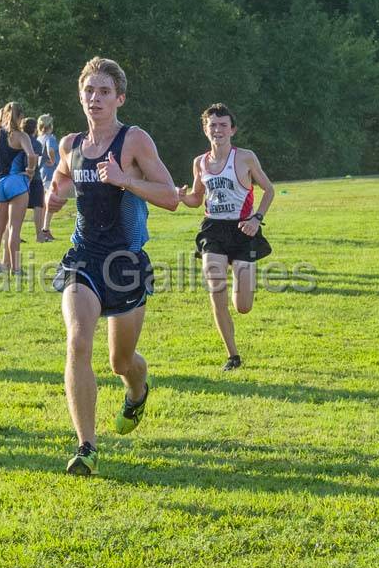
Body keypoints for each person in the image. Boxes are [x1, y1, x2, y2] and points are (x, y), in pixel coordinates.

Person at [46, 57, 180, 475]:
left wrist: (125, 181)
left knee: (120, 363)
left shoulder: (134, 140)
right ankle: (86, 446)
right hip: (83, 259)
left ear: (119, 98)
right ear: (80, 97)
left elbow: (170, 196)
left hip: (125, 261)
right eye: (89, 90)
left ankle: (137, 390)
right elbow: (62, 181)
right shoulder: (70, 145)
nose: (95, 98)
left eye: (104, 91)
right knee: (78, 340)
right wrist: (54, 197)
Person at [177, 103, 274, 370]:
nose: (217, 130)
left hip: (243, 229)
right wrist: (182, 197)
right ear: (205, 129)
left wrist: (257, 219)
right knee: (214, 287)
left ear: (232, 129)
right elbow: (197, 199)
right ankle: (233, 355)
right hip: (213, 230)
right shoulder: (199, 162)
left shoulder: (245, 158)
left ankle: (238, 273)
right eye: (212, 125)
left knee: (243, 306)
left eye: (222, 125)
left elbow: (269, 190)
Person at [0, 102, 36, 273]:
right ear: (20, 116)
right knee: (14, 228)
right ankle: (15, 268)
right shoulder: (21, 136)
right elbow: (31, 155)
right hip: (16, 181)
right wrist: (30, 172)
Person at [22, 116, 50, 243]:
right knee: (38, 205)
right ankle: (39, 235)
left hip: (20, 176)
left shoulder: (18, 141)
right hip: (35, 177)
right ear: (34, 129)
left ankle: (15, 234)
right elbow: (38, 160)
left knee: (19, 207)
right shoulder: (36, 143)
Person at [37, 114, 60, 241]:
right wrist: (53, 160)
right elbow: (50, 149)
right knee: (50, 202)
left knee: (44, 203)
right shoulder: (50, 138)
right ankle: (45, 229)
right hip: (50, 173)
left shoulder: (39, 138)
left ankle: (43, 229)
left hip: (42, 173)